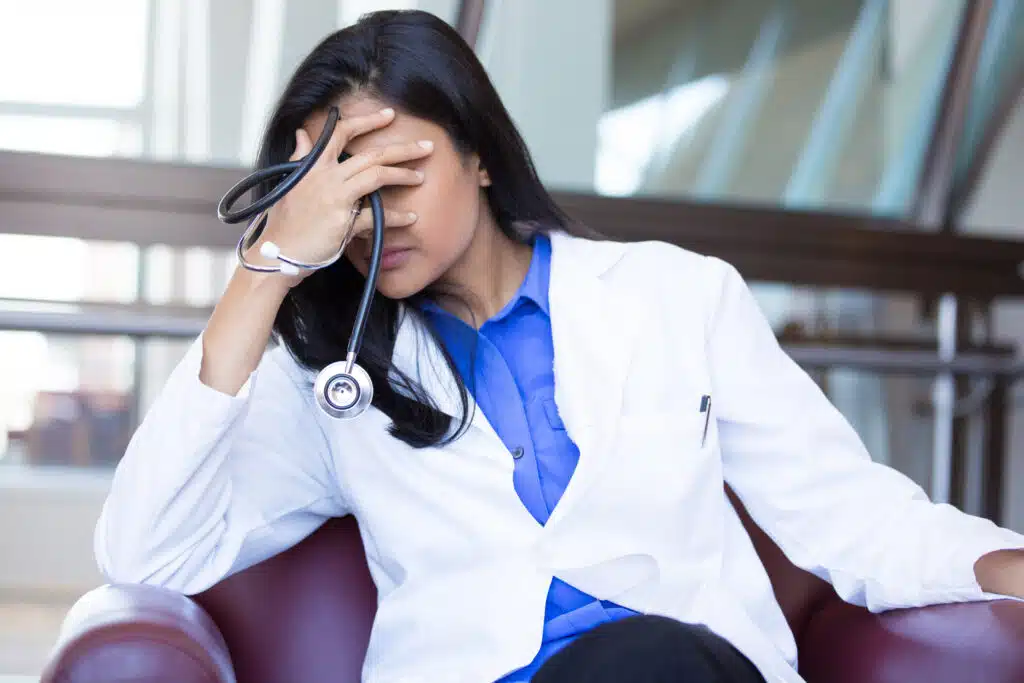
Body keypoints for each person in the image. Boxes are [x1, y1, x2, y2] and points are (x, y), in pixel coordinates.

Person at [95, 9, 1024, 683]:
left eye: (401, 173)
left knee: (647, 662)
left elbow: (846, 511)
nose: (371, 216)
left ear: (482, 154)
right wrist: (265, 269)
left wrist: (1004, 565)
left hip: (681, 668)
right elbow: (147, 551)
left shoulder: (678, 295)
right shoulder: (333, 376)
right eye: (341, 187)